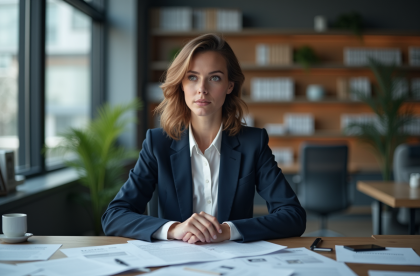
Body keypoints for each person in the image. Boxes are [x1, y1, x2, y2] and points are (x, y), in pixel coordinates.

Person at [102, 34, 306, 243]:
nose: (202, 89)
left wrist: (228, 230)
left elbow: (293, 216)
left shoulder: (253, 143)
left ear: (229, 86)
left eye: (215, 77)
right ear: (181, 84)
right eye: (192, 77)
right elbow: (114, 216)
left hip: (235, 264)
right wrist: (174, 229)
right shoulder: (158, 143)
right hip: (174, 264)